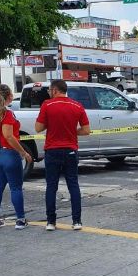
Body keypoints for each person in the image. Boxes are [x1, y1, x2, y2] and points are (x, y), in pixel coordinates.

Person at [35, 79, 90, 231]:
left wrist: (50, 125)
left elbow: (38, 128)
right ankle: (77, 221)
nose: (49, 93)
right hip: (70, 150)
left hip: (52, 150)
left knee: (51, 186)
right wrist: (72, 131)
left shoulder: (47, 105)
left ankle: (51, 222)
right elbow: (86, 130)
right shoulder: (77, 105)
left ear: (54, 90)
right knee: (73, 185)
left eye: (49, 90)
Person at [0, 84, 32, 230]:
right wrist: (23, 152)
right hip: (8, 153)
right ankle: (20, 219)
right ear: (9, 96)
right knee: (16, 188)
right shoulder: (8, 113)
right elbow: (8, 136)